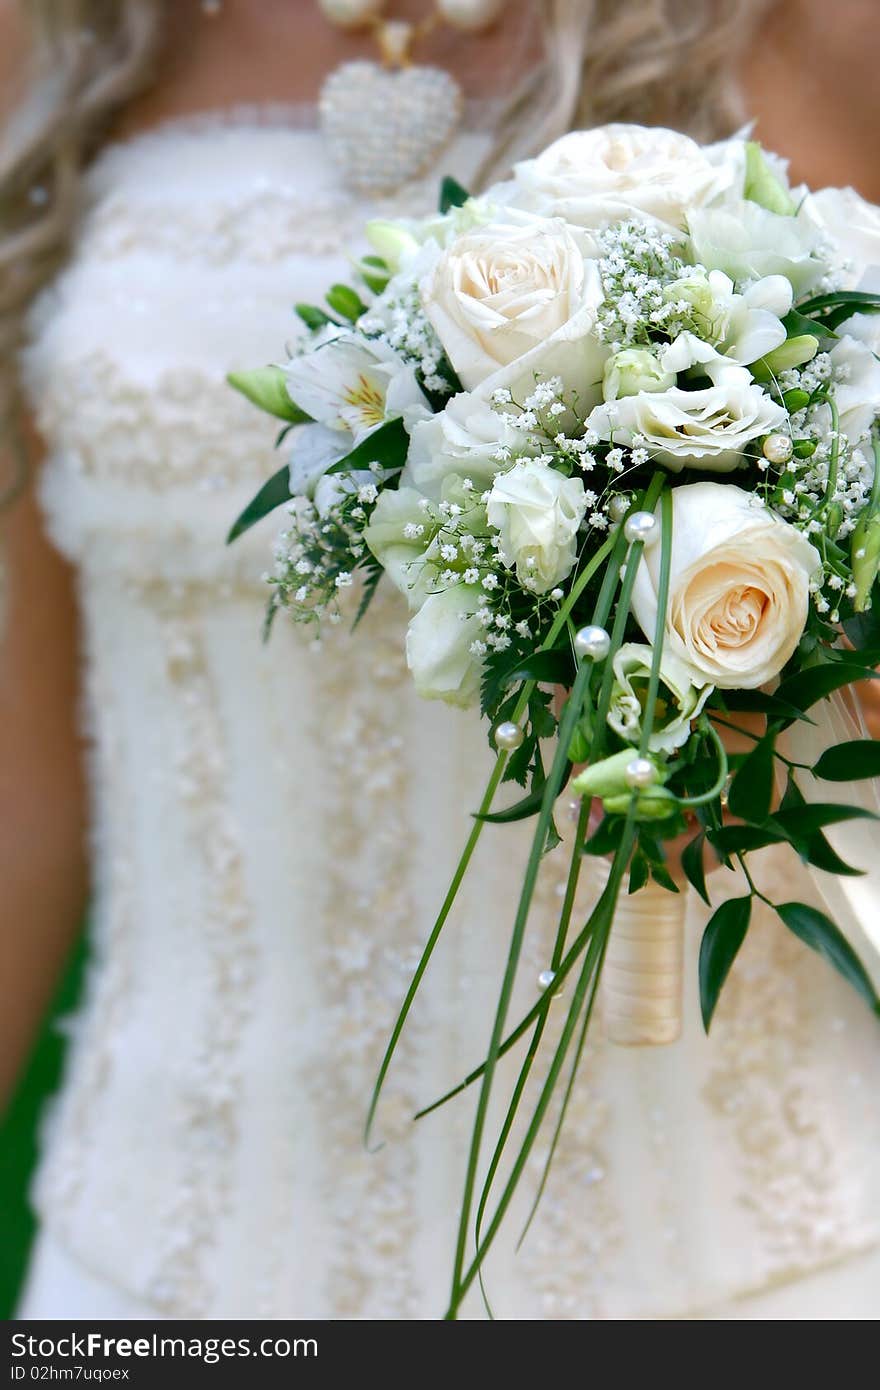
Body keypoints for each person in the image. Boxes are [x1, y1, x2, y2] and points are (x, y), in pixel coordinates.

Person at [1, 0, 879, 1320]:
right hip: (157, 1273)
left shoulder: (812, 26)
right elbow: (25, 785)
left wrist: (783, 652)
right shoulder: (66, 34)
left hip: (742, 1273)